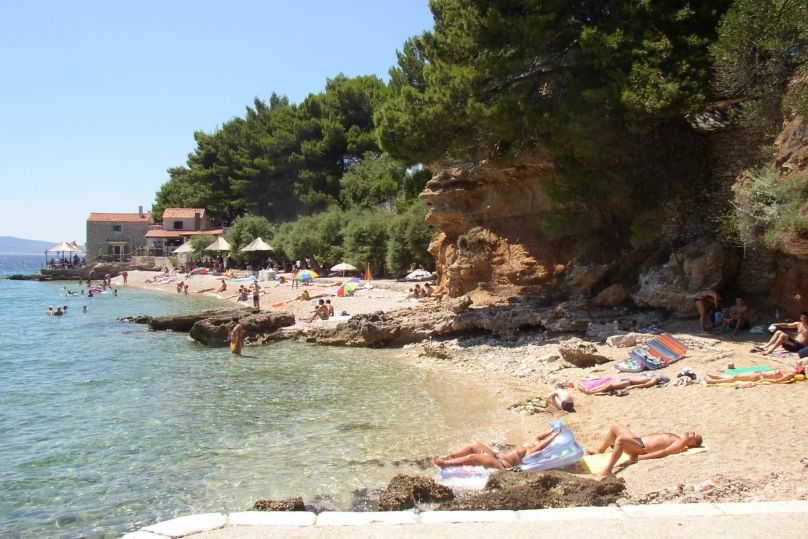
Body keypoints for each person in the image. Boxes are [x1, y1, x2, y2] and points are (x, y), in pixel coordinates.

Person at [587, 423, 702, 478]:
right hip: (638, 441)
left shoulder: (680, 444)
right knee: (615, 427)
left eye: (694, 435)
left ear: (692, 443)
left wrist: (640, 457)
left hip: (641, 448)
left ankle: (607, 470)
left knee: (620, 440)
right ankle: (599, 450)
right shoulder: (677, 438)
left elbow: (665, 452)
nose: (692, 432)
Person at [434, 428, 560, 470]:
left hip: (502, 464)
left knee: (473, 457)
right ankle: (450, 457)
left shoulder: (534, 452)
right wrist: (553, 430)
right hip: (496, 455)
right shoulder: (533, 443)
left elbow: (542, 445)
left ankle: (446, 464)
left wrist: (555, 436)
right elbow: (538, 437)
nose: (538, 441)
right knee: (475, 445)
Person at [577, 373, 669, 395]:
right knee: (607, 383)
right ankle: (590, 390)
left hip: (628, 382)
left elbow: (647, 385)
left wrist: (633, 386)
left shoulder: (655, 379)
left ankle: (591, 391)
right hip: (626, 379)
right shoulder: (652, 376)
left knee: (609, 385)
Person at [705, 368, 796, 385]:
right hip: (759, 373)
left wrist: (763, 380)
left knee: (736, 377)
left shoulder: (789, 374)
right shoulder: (787, 370)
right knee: (736, 376)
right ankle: (717, 377)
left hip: (758, 377)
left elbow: (777, 381)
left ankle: (714, 381)